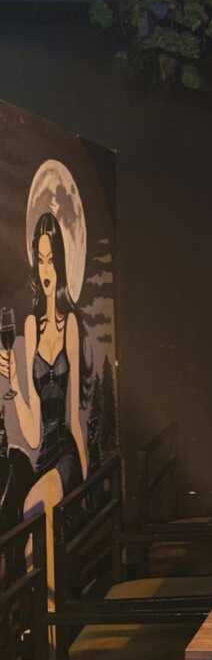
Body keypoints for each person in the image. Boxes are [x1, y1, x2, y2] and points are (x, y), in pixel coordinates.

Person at [0, 212, 88, 519]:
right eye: (40, 260)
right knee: (29, 522)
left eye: (51, 260)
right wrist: (14, 381)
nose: (46, 269)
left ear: (60, 263)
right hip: (44, 458)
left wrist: (86, 484)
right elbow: (33, 434)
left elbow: (74, 417)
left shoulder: (71, 324)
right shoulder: (30, 327)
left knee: (33, 505)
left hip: (66, 454)